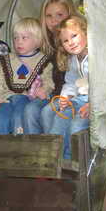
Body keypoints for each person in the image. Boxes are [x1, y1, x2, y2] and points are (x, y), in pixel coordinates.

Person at [24, 0, 76, 134]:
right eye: (49, 16)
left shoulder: (73, 42)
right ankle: (34, 146)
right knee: (30, 110)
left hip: (70, 94)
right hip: (51, 92)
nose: (54, 21)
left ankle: (52, 147)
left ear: (69, 14)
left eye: (60, 15)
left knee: (48, 112)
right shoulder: (44, 44)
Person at [0, 17, 53, 135]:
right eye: (16, 38)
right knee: (0, 119)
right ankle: (0, 145)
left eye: (24, 38)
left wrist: (44, 90)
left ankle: (20, 144)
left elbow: (48, 81)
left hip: (26, 99)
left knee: (18, 117)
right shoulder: (6, 60)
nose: (19, 42)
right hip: (6, 98)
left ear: (37, 40)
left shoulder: (43, 61)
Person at [41, 15, 89, 159]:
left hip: (97, 101)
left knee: (76, 125)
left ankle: (74, 162)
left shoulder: (97, 57)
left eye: (74, 36)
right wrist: (66, 97)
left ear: (86, 32)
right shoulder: (73, 59)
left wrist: (93, 104)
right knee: (57, 117)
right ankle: (54, 157)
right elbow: (71, 82)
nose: (71, 42)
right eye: (66, 41)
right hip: (79, 99)